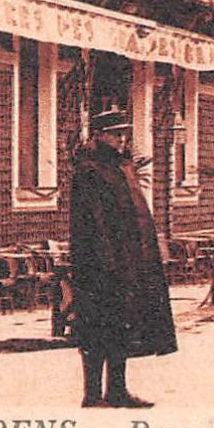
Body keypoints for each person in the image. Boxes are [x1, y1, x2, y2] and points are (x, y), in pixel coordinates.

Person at [69, 107, 176, 409]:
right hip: (99, 267)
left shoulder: (123, 168)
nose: (121, 138)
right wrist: (104, 263)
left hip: (129, 263)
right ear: (99, 136)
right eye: (115, 133)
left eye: (123, 133)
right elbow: (91, 223)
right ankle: (92, 395)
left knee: (122, 326)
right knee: (95, 327)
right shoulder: (89, 170)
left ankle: (117, 390)